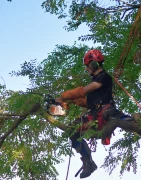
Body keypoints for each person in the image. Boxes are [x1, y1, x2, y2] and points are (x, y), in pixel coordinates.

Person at [55, 49, 133, 178]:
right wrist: (73, 101)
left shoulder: (103, 77)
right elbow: (89, 102)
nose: (87, 70)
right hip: (95, 116)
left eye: (87, 67)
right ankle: (88, 161)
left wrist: (64, 96)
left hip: (106, 112)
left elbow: (86, 89)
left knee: (110, 113)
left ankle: (129, 121)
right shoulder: (96, 82)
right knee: (72, 130)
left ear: (93, 64)